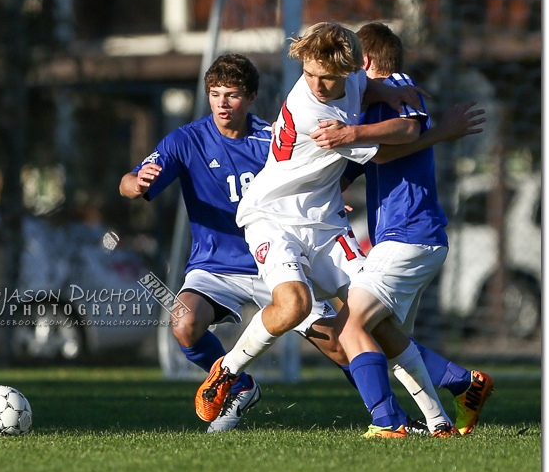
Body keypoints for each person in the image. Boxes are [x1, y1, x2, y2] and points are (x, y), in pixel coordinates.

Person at [195, 22, 482, 437]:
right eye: (309, 74)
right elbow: (398, 139)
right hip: (275, 218)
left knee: (373, 324)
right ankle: (227, 371)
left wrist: (383, 91)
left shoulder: (351, 79)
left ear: (350, 68)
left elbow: (363, 88)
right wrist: (437, 131)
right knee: (293, 306)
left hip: (325, 223)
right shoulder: (318, 114)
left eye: (326, 77)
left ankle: (435, 422)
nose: (316, 84)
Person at [120, 53, 354, 433]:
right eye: (214, 94)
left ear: (251, 97)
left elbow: (306, 182)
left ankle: (388, 416)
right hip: (215, 266)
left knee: (342, 345)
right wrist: (137, 182)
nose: (222, 103)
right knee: (184, 321)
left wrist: (323, 203)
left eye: (231, 95)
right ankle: (239, 385)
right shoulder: (187, 140)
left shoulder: (272, 140)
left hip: (277, 262)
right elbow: (127, 183)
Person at [310, 22, 493, 436]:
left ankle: (387, 423)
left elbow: (408, 130)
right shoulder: (370, 103)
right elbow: (369, 159)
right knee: (386, 339)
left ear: (367, 60)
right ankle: (452, 403)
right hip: (405, 238)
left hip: (411, 235)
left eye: (351, 61)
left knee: (350, 328)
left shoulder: (397, 84)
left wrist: (352, 134)